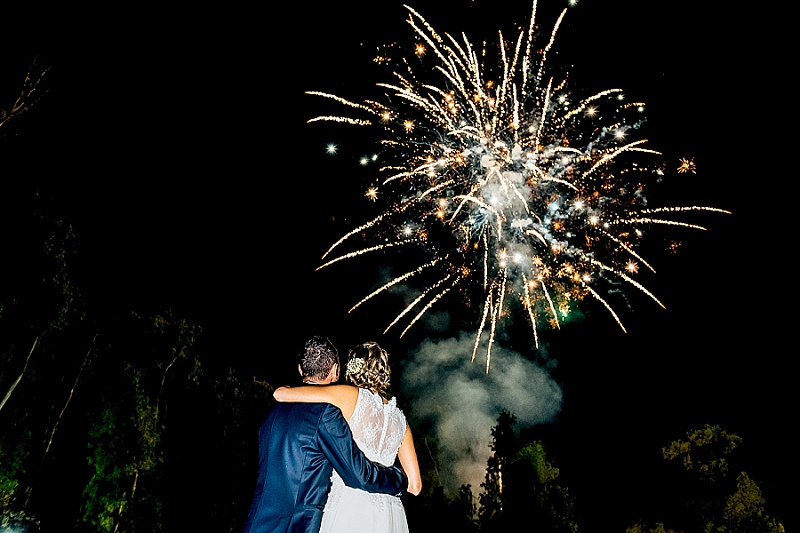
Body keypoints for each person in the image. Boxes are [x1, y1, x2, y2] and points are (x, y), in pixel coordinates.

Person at [242, 336, 407, 533]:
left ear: (300, 370)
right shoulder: (326, 413)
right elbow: (359, 474)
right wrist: (399, 479)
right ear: (336, 370)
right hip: (296, 526)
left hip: (256, 524)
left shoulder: (273, 413)